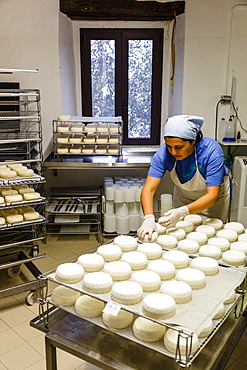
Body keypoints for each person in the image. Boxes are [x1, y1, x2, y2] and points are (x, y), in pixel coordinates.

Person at [137, 114, 230, 241]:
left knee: (211, 238)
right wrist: (148, 218)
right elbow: (148, 189)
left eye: (179, 147)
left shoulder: (211, 151)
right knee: (181, 237)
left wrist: (182, 212)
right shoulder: (163, 154)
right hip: (183, 198)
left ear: (193, 141)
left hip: (212, 203)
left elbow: (212, 195)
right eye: (169, 146)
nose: (173, 152)